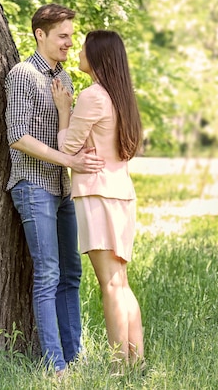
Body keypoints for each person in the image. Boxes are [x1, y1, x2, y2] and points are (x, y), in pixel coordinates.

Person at [4, 4, 105, 376]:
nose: (69, 42)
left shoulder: (65, 78)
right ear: (40, 35)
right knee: (47, 273)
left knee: (71, 273)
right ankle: (55, 364)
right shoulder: (23, 75)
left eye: (70, 36)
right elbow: (18, 137)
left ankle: (74, 356)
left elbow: (68, 142)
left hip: (63, 188)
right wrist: (70, 163)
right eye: (63, 36)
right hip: (34, 186)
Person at [50, 30, 144, 370]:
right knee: (120, 282)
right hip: (120, 193)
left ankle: (120, 365)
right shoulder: (121, 96)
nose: (77, 49)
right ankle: (135, 362)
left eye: (84, 46)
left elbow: (66, 147)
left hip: (98, 193)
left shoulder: (93, 96)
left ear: (99, 56)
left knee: (109, 284)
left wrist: (64, 109)